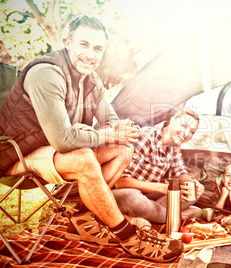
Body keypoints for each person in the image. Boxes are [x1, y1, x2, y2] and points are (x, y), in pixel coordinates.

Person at [0, 14, 183, 263]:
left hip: (51, 151)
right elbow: (64, 141)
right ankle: (127, 236)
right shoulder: (47, 73)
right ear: (68, 42)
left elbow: (110, 122)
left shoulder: (92, 81)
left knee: (122, 149)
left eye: (97, 49)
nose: (91, 54)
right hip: (15, 155)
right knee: (84, 156)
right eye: (84, 44)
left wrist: (121, 130)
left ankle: (85, 218)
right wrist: (100, 133)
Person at [112, 108, 205, 223]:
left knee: (193, 193)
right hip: (124, 193)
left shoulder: (174, 144)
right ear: (173, 119)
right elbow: (121, 182)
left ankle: (153, 213)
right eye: (184, 126)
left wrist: (193, 184)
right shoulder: (145, 137)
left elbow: (180, 172)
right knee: (134, 199)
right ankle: (175, 217)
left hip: (150, 196)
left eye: (192, 131)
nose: (186, 134)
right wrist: (162, 188)